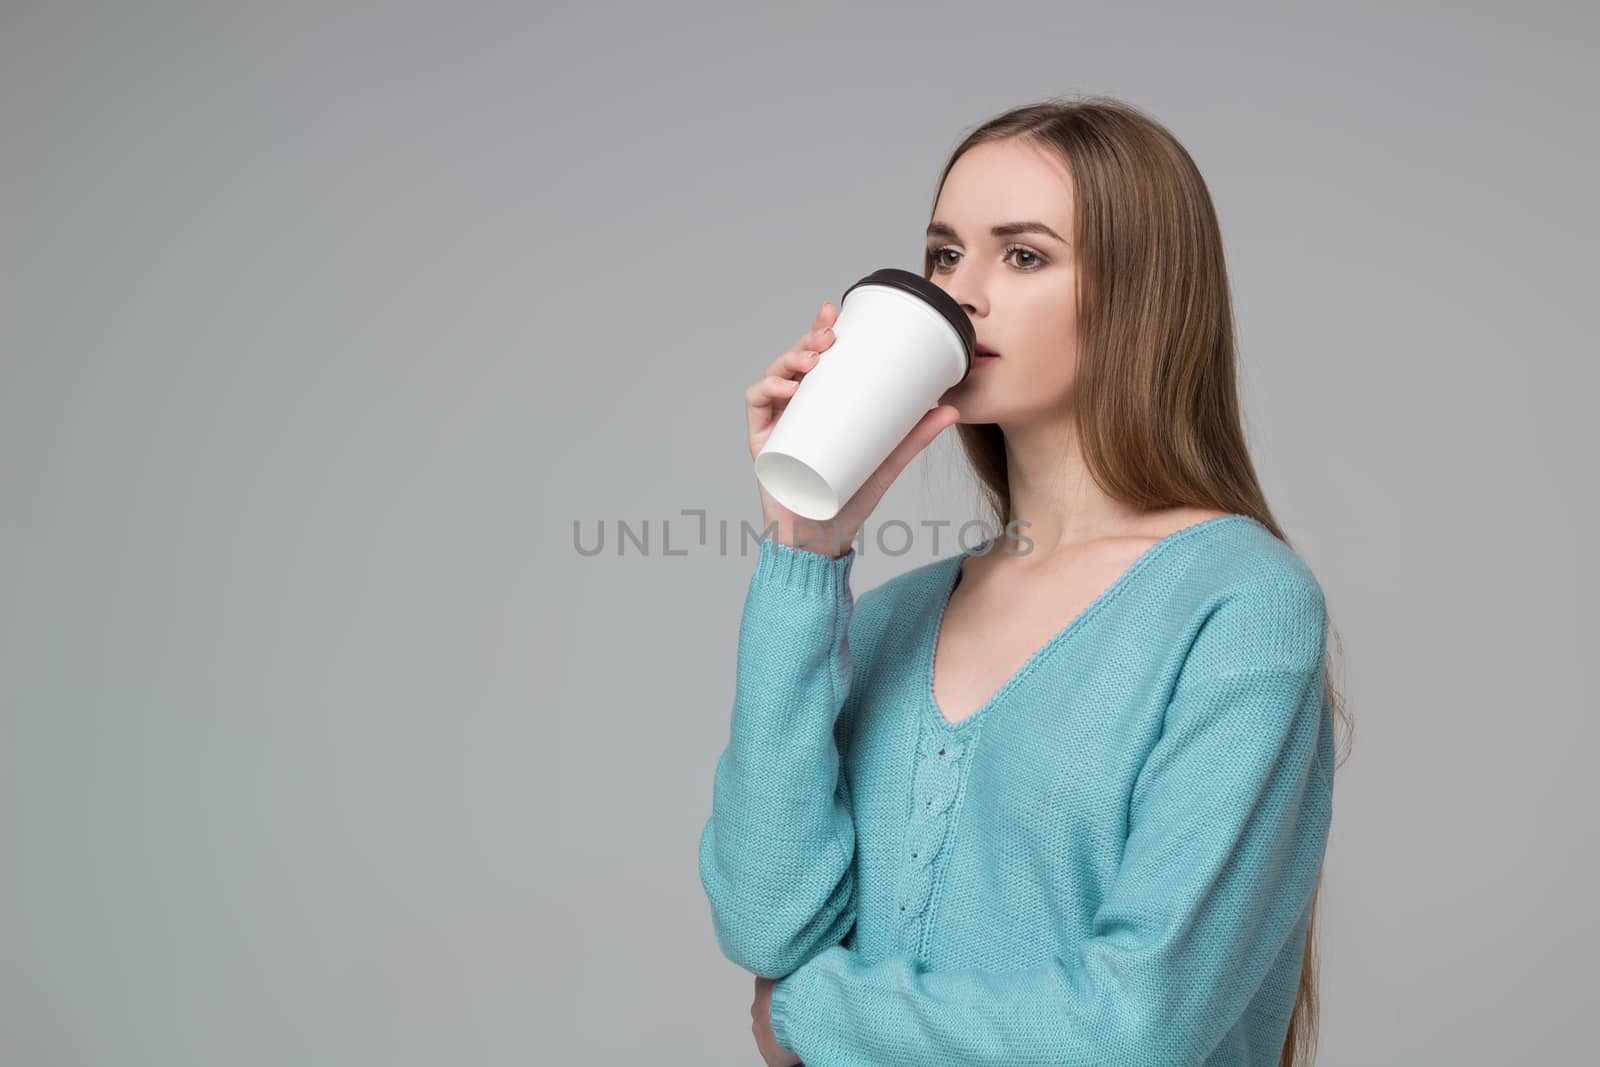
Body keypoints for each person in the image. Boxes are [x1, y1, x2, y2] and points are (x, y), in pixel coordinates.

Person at [699, 95, 1351, 1067]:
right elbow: (763, 923)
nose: (959, 295)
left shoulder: (1239, 606)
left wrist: (807, 1015)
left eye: (1024, 255)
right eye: (943, 254)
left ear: (1141, 295)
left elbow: (1135, 1026)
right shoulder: (881, 619)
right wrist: (804, 547)